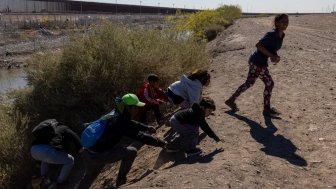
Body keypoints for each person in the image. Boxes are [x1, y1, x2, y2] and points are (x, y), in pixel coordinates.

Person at [79, 93, 166, 188]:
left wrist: (146, 127)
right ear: (129, 108)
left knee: (88, 177)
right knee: (131, 152)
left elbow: (129, 123)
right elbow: (139, 136)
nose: (137, 110)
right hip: (98, 155)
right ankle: (121, 181)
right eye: (136, 107)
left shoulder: (115, 113)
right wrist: (162, 143)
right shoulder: (119, 120)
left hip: (87, 151)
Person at [225, 14, 289, 116]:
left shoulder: (282, 35)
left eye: (287, 21)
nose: (285, 23)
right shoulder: (271, 34)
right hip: (257, 61)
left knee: (249, 83)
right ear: (277, 23)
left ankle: (231, 100)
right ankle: (266, 109)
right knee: (269, 83)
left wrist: (275, 57)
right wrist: (272, 55)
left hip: (257, 61)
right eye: (283, 21)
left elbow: (271, 49)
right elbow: (258, 45)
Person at [30, 119, 83, 189]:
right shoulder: (64, 128)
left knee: (45, 160)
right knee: (70, 161)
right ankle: (59, 184)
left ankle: (43, 179)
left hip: (33, 150)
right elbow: (74, 136)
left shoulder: (49, 129)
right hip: (46, 150)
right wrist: (81, 148)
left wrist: (38, 163)